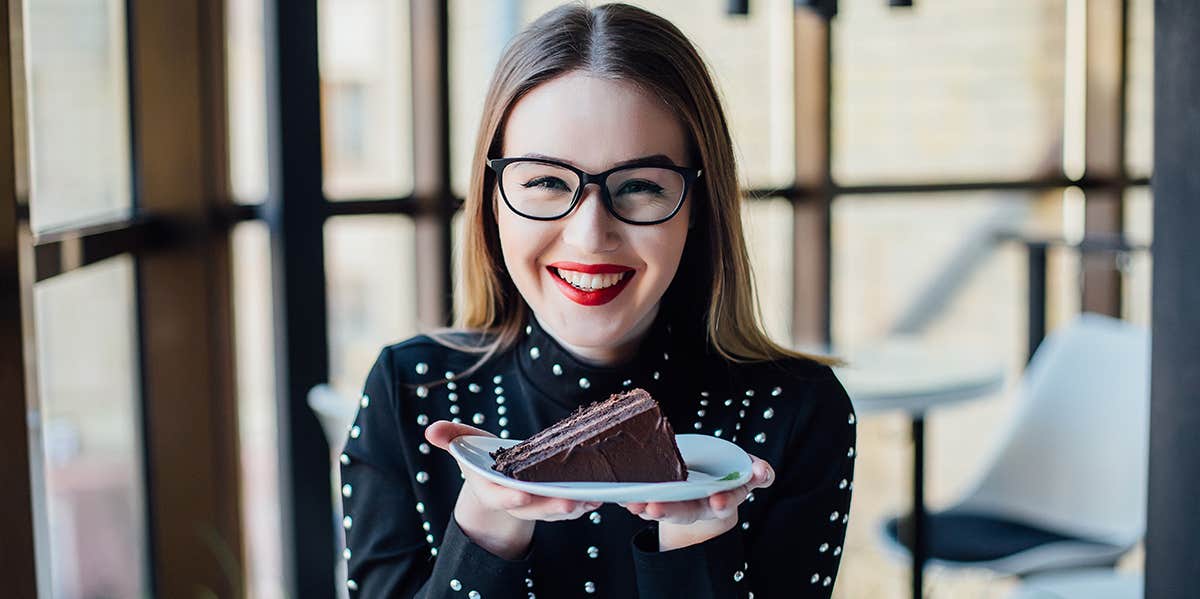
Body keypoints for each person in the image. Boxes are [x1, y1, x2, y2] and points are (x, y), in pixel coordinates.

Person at [339, 3, 856, 597]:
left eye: (639, 186)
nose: (590, 235)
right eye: (544, 181)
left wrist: (699, 534)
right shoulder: (409, 389)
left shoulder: (798, 410)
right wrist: (486, 527)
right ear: (492, 201)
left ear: (696, 209)